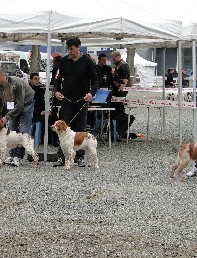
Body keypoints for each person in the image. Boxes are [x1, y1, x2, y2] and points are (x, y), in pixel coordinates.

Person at [53, 36, 99, 167]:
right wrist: (56, 91)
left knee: (80, 127)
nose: (69, 51)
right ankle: (63, 157)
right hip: (66, 99)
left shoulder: (87, 61)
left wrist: (91, 93)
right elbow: (57, 79)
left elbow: (95, 80)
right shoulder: (63, 61)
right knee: (63, 127)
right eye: (68, 49)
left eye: (71, 49)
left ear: (79, 47)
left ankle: (79, 157)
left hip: (82, 100)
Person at [0, 66, 35, 167]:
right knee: (11, 128)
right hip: (12, 104)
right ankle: (12, 155)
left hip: (26, 102)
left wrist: (7, 117)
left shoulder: (16, 83)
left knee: (23, 128)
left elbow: (20, 104)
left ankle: (18, 156)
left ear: (4, 75)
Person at [110, 50, 135, 141]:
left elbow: (125, 78)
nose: (112, 61)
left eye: (113, 59)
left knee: (118, 108)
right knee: (118, 109)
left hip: (122, 90)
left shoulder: (123, 65)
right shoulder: (119, 65)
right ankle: (117, 130)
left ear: (118, 57)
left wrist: (121, 88)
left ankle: (118, 130)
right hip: (119, 89)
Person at [29, 73, 58, 145]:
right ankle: (50, 140)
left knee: (54, 117)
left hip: (41, 111)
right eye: (35, 79)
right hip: (33, 113)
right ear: (31, 80)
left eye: (38, 79)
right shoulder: (29, 90)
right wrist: (40, 112)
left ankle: (53, 139)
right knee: (48, 120)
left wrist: (46, 111)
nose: (37, 81)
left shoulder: (39, 89)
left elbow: (42, 103)